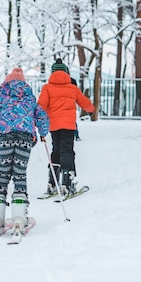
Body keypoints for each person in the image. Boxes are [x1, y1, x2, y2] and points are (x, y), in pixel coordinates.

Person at [0, 67, 49, 237]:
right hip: (25, 138)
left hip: (5, 137)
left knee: (4, 172)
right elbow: (41, 116)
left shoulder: (1, 97)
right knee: (19, 173)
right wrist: (43, 132)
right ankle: (19, 217)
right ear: (23, 83)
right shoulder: (29, 98)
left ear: (7, 82)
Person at [38, 58, 94, 196]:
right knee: (67, 151)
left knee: (56, 151)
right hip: (68, 126)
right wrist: (91, 110)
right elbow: (84, 102)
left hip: (54, 126)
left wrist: (38, 120)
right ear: (67, 72)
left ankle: (52, 182)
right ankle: (67, 184)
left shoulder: (47, 88)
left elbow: (41, 106)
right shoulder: (72, 88)